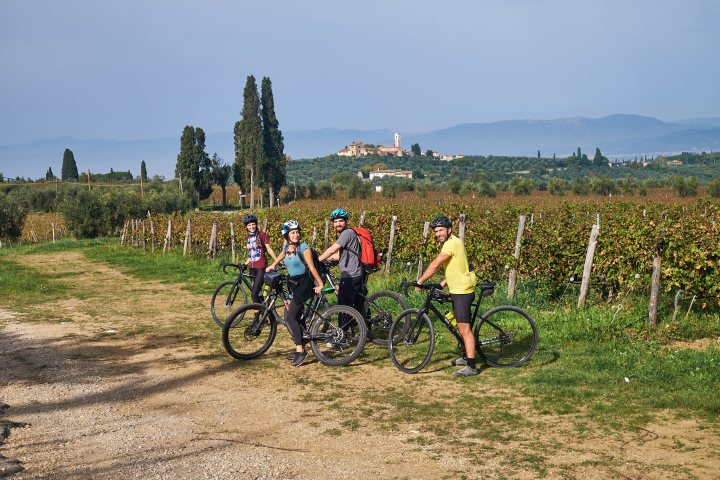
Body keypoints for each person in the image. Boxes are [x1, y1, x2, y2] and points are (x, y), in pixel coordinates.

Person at [417, 215, 479, 377]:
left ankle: (471, 366)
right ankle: (467, 356)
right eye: (436, 231)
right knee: (460, 325)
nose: (438, 233)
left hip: (462, 291)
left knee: (464, 329)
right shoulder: (453, 242)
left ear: (449, 230)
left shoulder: (451, 243)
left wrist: (421, 280)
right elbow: (456, 266)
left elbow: (436, 264)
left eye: (441, 230)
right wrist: (443, 284)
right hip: (457, 288)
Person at [266, 220, 324, 367]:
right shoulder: (287, 247)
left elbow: (311, 267)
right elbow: (281, 254)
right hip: (293, 283)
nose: (296, 234)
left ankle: (300, 351)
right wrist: (273, 265)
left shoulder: (304, 248)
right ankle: (301, 346)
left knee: (290, 317)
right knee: (295, 316)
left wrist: (320, 284)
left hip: (304, 284)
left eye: (297, 232)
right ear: (287, 235)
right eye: (293, 232)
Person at [318, 209, 366, 321]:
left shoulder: (346, 233)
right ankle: (359, 328)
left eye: (341, 221)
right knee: (356, 304)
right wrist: (328, 258)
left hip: (350, 275)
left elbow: (332, 250)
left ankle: (342, 334)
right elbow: (339, 255)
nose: (338, 224)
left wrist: (317, 259)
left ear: (346, 221)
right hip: (356, 273)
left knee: (343, 306)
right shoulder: (350, 233)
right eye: (335, 222)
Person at [243, 214, 277, 304]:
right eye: (249, 225)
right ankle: (269, 316)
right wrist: (245, 264)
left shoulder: (262, 235)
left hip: (261, 268)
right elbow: (252, 254)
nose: (251, 227)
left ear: (256, 224)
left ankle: (257, 317)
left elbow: (269, 249)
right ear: (246, 227)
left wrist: (277, 261)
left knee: (253, 295)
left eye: (253, 224)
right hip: (252, 269)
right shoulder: (249, 237)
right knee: (258, 294)